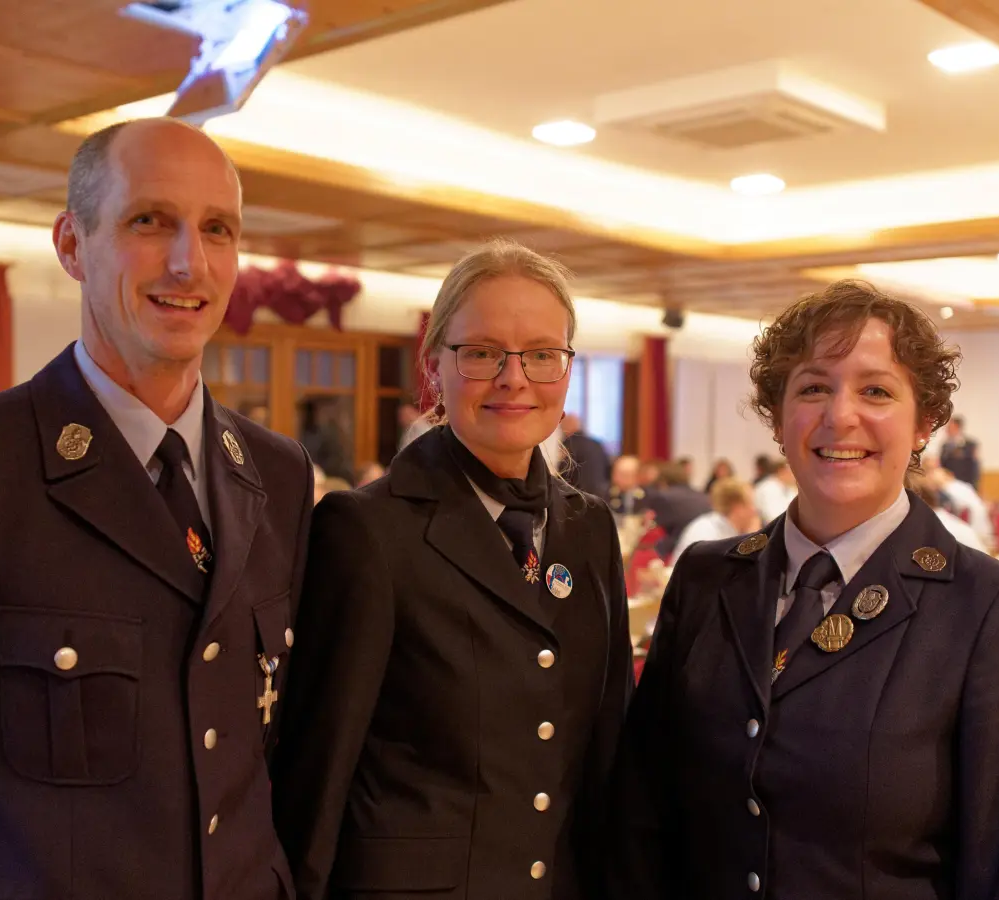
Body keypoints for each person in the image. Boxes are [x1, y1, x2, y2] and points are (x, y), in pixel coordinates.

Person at [0, 118, 314, 900]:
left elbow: (269, 746)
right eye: (150, 221)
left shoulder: (278, 474)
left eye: (218, 229)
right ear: (73, 245)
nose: (190, 261)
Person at [609, 279, 999, 898]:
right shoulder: (706, 577)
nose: (840, 416)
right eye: (813, 388)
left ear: (925, 423)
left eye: (876, 391)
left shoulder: (995, 607)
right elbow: (642, 812)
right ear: (778, 419)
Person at [274, 240, 632, 900]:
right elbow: (320, 768)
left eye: (542, 354)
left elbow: (605, 750)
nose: (514, 378)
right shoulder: (368, 531)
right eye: (483, 352)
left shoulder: (589, 528)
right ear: (434, 365)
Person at [667, 477, 759, 566]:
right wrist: (754, 538)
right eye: (751, 504)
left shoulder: (725, 528)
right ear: (738, 508)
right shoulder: (708, 533)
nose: (754, 510)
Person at [643, 459, 710, 556]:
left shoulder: (663, 497)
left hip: (680, 550)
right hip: (705, 547)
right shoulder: (702, 496)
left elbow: (655, 526)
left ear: (663, 479)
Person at [560, 412, 610, 500]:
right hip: (600, 497)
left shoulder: (568, 445)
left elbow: (563, 473)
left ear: (567, 425)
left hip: (577, 497)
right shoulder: (596, 444)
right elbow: (608, 469)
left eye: (562, 425)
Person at [938, 414, 981, 488]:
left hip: (966, 484)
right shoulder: (944, 446)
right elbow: (942, 465)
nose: (947, 430)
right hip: (949, 485)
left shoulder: (970, 444)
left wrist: (974, 486)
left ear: (957, 427)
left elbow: (974, 467)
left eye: (949, 427)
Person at [750, 459, 796, 524]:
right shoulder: (767, 488)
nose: (795, 475)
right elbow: (773, 517)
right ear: (782, 471)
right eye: (791, 471)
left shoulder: (789, 488)